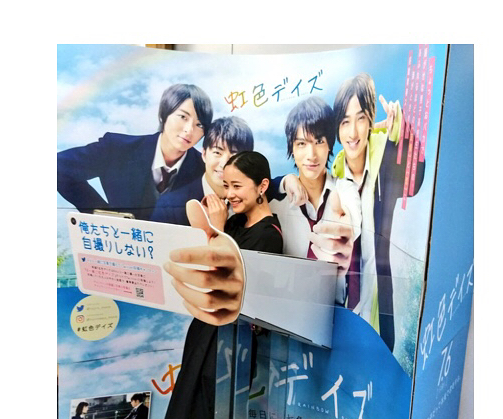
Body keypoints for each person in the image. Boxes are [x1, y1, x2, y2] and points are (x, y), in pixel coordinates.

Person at [144, 151, 283, 419]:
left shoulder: (268, 236)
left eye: (237, 186)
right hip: (212, 341)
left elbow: (228, 286)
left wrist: (217, 231)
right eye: (226, 186)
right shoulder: (241, 225)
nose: (229, 194)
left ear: (262, 187)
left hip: (224, 347)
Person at [331, 73, 425, 351]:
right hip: (344, 305)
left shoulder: (385, 154)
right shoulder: (336, 173)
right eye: (345, 121)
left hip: (378, 299)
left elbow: (414, 180)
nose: (353, 133)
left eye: (360, 118)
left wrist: (402, 132)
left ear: (371, 119)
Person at [57, 83, 213, 221]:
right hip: (118, 241)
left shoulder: (205, 169)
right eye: (183, 117)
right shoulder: (117, 149)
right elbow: (58, 168)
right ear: (164, 115)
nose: (189, 130)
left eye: (199, 125)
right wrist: (102, 215)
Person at [268, 97, 361, 306]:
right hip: (285, 306)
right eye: (302, 144)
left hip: (333, 308)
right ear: (292, 148)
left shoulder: (345, 190)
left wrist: (346, 234)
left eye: (319, 142)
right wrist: (283, 181)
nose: (311, 155)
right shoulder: (278, 199)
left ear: (330, 145)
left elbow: (352, 222)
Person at [151, 116, 254, 225]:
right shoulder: (169, 206)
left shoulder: (252, 205)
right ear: (204, 154)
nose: (224, 164)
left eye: (234, 156)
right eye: (217, 153)